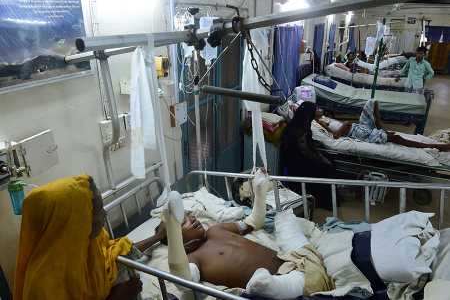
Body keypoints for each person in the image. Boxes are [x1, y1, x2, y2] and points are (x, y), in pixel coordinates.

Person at [147, 170, 334, 299]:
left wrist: (259, 193)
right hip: (283, 282)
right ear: (174, 240)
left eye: (189, 215)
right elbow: (183, 280)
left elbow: (253, 223)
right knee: (268, 284)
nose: (193, 218)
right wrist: (170, 225)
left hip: (293, 260)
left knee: (285, 221)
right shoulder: (193, 259)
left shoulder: (216, 230)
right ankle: (278, 287)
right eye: (183, 222)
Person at [13, 175, 154, 300]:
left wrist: (157, 236)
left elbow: (119, 253)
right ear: (72, 222)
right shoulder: (43, 287)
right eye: (98, 209)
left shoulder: (90, 243)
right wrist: (117, 297)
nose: (105, 214)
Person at [317, 100, 450, 151]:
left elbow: (343, 126)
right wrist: (344, 125)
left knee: (371, 102)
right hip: (360, 133)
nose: (320, 109)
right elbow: (335, 135)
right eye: (316, 109)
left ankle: (380, 126)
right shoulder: (319, 123)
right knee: (397, 138)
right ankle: (434, 146)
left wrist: (345, 124)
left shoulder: (324, 118)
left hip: (358, 126)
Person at [280, 101, 337, 211]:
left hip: (301, 159)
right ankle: (326, 202)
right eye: (315, 110)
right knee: (327, 167)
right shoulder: (300, 128)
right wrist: (321, 159)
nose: (316, 112)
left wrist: (319, 153)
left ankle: (331, 197)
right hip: (299, 165)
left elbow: (306, 145)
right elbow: (305, 151)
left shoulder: (300, 123)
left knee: (330, 160)